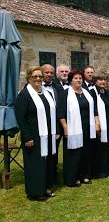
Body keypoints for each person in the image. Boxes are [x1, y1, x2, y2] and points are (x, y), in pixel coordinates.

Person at [15, 67, 57, 200]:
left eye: (40, 76)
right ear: (29, 78)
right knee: (34, 165)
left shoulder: (46, 93)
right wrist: (27, 137)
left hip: (46, 136)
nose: (38, 79)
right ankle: (34, 192)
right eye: (35, 76)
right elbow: (21, 118)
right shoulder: (24, 95)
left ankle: (44, 187)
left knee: (45, 164)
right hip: (33, 136)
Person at [58, 69, 99, 187]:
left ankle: (85, 175)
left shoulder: (87, 93)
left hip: (87, 127)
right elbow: (60, 113)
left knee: (86, 152)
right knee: (74, 153)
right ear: (71, 80)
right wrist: (65, 128)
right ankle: (73, 177)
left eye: (80, 78)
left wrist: (97, 123)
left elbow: (94, 109)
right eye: (75, 78)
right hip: (73, 128)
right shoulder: (65, 93)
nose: (78, 80)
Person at [41, 64, 63, 181]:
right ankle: (43, 176)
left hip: (56, 126)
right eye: (46, 72)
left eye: (51, 73)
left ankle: (53, 175)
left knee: (54, 151)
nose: (49, 75)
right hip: (41, 126)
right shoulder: (34, 88)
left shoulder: (56, 88)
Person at [90, 73, 109, 178]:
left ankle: (107, 169)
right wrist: (97, 123)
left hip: (108, 124)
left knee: (106, 147)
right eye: (100, 80)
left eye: (104, 80)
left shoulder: (106, 92)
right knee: (99, 147)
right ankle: (99, 171)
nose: (102, 82)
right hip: (98, 123)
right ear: (95, 81)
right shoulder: (92, 93)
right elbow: (94, 109)